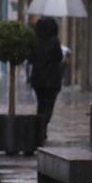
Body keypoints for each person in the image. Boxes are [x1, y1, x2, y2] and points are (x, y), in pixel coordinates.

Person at [28, 17, 63, 146]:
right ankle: (42, 128)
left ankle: (40, 131)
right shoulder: (55, 41)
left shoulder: (35, 41)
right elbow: (59, 57)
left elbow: (30, 59)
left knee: (40, 105)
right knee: (49, 106)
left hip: (38, 78)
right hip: (52, 79)